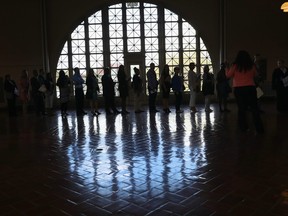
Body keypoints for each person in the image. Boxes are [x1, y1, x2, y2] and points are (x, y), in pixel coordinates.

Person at [226, 50, 264, 134]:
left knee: (241, 109)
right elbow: (256, 75)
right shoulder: (251, 65)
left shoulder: (235, 66)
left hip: (239, 90)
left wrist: (227, 67)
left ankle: (243, 128)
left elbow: (228, 76)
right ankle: (259, 128)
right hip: (251, 88)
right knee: (254, 109)